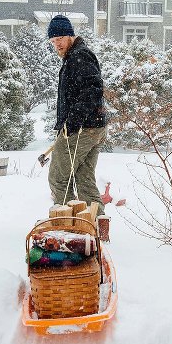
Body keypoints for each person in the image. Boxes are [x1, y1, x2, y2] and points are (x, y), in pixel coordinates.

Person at [46, 14, 108, 225]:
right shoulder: (76, 56)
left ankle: (69, 227)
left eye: (60, 38)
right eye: (53, 41)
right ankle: (99, 225)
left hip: (82, 129)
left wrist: (73, 120)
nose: (57, 44)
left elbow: (93, 89)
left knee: (58, 178)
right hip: (94, 128)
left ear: (70, 35)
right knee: (84, 180)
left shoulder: (79, 56)